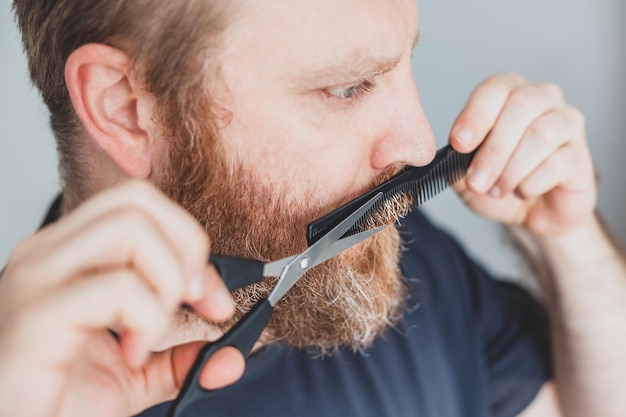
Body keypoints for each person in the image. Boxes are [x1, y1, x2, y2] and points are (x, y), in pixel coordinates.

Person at [1, 0, 625, 416]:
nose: (417, 142)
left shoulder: (392, 251)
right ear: (127, 108)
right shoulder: (34, 392)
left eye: (407, 61)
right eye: (347, 88)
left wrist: (567, 241)